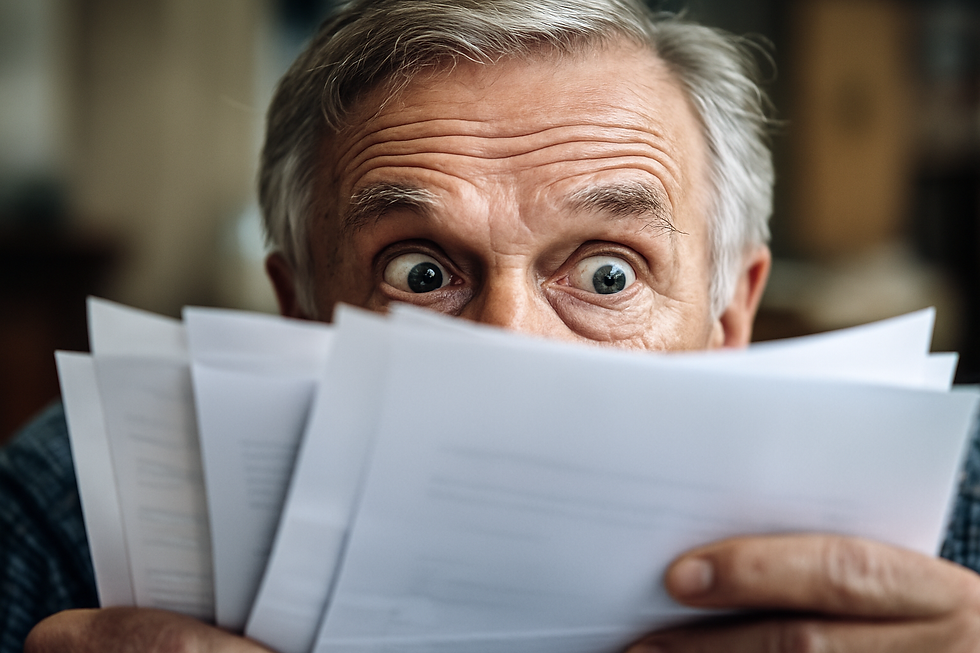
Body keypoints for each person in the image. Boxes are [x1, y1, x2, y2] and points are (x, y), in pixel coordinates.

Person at [6, 0, 980, 651]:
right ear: (299, 308)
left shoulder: (948, 510)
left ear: (729, 310)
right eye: (419, 271)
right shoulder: (73, 502)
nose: (507, 341)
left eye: (606, 271)